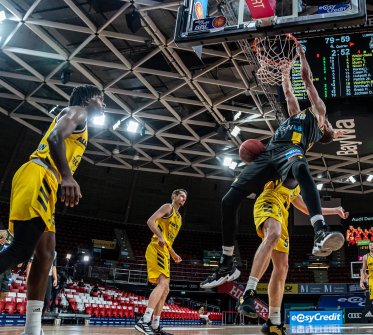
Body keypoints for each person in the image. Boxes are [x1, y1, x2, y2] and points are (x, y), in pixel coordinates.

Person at [200, 48, 346, 289]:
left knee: (300, 166)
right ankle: (227, 262)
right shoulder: (295, 116)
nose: (328, 120)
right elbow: (288, 92)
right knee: (229, 199)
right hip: (268, 153)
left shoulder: (318, 117)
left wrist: (302, 55)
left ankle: (319, 231)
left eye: (329, 125)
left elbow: (308, 81)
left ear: (324, 127)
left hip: (289, 152)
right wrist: (285, 72)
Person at [0, 85, 103, 335]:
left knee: (46, 254)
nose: (104, 103)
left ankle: (33, 329)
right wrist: (67, 176)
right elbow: (56, 136)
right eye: (101, 98)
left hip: (47, 180)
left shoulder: (80, 119)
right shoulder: (79, 111)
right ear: (88, 99)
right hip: (39, 173)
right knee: (22, 248)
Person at [236, 179, 349, 335]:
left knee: (282, 267)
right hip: (268, 200)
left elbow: (307, 209)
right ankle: (248, 293)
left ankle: (273, 322)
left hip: (282, 213)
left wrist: (334, 210)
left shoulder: (294, 188)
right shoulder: (279, 164)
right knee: (273, 234)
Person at [135, 189, 187, 335]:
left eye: (185, 197)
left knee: (166, 289)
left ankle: (155, 325)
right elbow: (150, 221)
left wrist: (173, 253)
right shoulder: (168, 207)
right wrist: (159, 236)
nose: (183, 198)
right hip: (156, 248)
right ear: (174, 196)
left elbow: (168, 240)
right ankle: (143, 321)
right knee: (162, 284)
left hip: (165, 251)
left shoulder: (179, 218)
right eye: (181, 195)